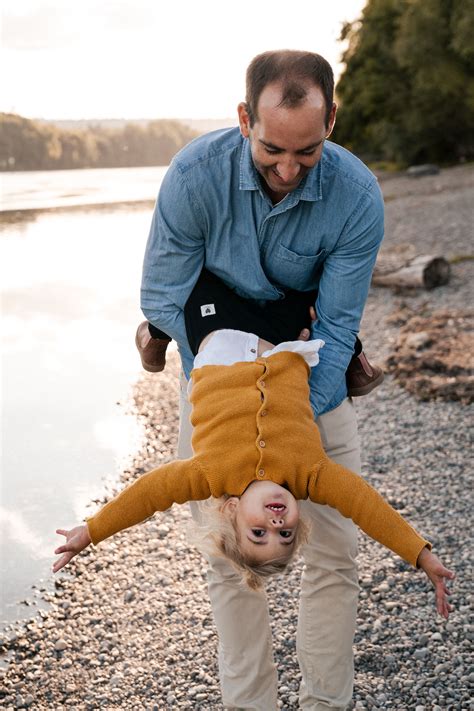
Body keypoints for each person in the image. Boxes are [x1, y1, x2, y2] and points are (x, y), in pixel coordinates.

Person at [134, 49, 403, 709]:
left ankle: (325, 704)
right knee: (229, 561)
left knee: (337, 554)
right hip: (218, 375)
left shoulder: (357, 194)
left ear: (332, 120)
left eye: (307, 152)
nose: (288, 170)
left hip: (312, 372)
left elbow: (337, 329)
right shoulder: (194, 176)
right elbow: (163, 295)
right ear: (244, 118)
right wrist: (244, 421)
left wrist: (285, 432)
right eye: (272, 151)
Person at [54, 270, 453, 619]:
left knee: (197, 273)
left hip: (216, 326)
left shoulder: (208, 475)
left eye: (257, 533)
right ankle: (354, 358)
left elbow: (147, 496)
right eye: (285, 535)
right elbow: (367, 507)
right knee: (306, 287)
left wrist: (90, 532)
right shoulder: (312, 475)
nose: (276, 526)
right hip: (281, 335)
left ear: (232, 511)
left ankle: (154, 333)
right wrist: (421, 555)